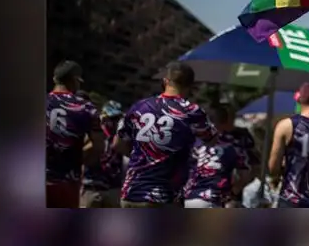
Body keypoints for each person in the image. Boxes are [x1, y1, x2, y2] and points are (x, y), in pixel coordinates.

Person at [114, 61, 218, 208]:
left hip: (131, 192)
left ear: (165, 81)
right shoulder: (192, 111)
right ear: (191, 86)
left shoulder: (140, 106)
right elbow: (212, 139)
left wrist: (143, 157)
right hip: (163, 196)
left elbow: (117, 144)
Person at [45, 60, 104, 208]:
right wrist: (79, 159)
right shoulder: (85, 107)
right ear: (75, 80)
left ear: (54, 79)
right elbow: (98, 146)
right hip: (67, 182)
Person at [267, 83, 309, 208]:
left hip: (292, 197)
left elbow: (273, 167)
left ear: (299, 99)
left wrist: (277, 175)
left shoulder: (286, 125)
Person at [182, 103, 248, 208]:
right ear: (226, 122)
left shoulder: (191, 142)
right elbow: (245, 175)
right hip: (214, 199)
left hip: (189, 199)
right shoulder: (233, 145)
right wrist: (233, 192)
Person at [80, 101, 127, 208]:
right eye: (112, 118)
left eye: (118, 118)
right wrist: (94, 144)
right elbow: (81, 157)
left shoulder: (121, 136)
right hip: (92, 188)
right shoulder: (91, 133)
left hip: (113, 189)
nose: (115, 122)